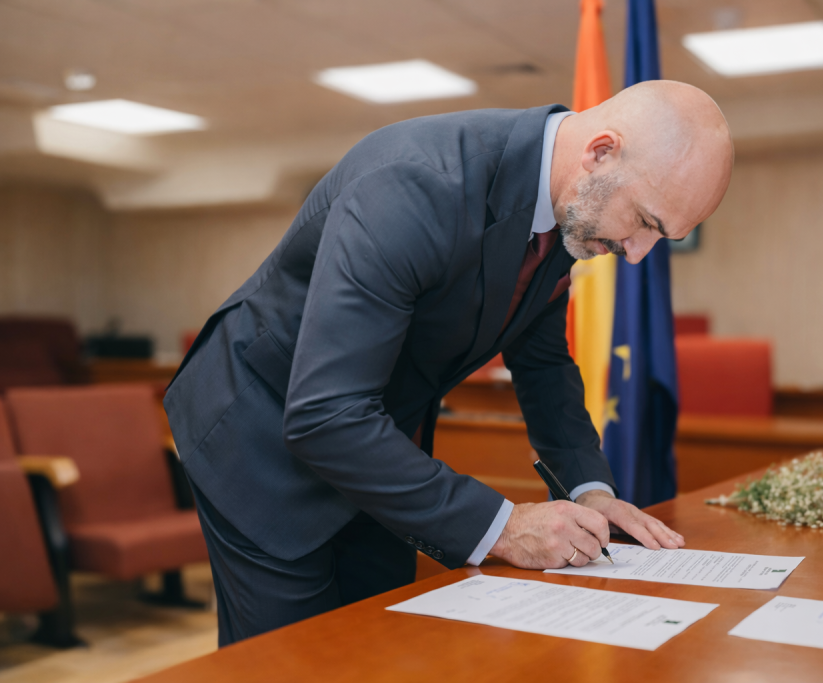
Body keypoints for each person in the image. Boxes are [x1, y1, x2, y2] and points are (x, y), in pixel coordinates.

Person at [164, 80, 733, 646]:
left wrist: (592, 492)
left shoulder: (571, 209)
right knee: (295, 661)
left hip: (375, 445)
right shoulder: (412, 185)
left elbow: (543, 364)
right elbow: (325, 414)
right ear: (599, 152)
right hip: (261, 436)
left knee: (377, 645)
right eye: (647, 223)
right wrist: (506, 526)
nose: (637, 254)